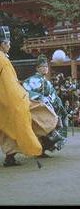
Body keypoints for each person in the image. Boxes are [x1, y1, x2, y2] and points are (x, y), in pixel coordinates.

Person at [0, 26, 42, 166]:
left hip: (4, 98)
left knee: (7, 129)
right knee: (14, 125)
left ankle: (10, 157)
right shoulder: (3, 60)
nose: (10, 45)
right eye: (8, 43)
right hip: (8, 99)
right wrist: (21, 95)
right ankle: (13, 155)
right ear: (2, 44)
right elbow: (9, 83)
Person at [23, 54, 67, 157]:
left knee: (52, 124)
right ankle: (39, 149)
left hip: (49, 107)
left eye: (46, 66)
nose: (45, 68)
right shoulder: (30, 80)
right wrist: (40, 97)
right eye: (43, 66)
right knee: (42, 128)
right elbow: (25, 91)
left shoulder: (47, 82)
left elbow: (53, 94)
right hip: (37, 108)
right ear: (37, 68)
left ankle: (43, 150)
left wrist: (57, 101)